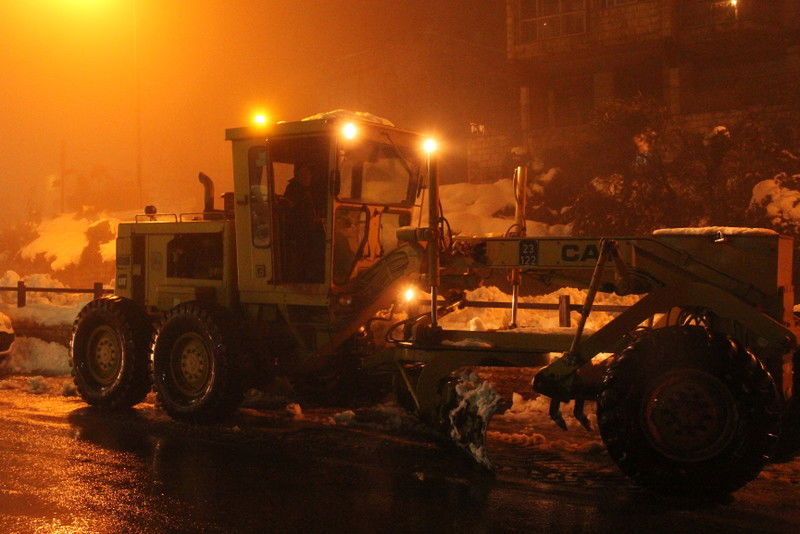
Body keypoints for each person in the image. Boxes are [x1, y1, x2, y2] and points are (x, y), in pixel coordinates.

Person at [283, 165, 325, 282]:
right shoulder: (294, 189)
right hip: (299, 233)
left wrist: (315, 219)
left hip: (306, 231)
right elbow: (289, 207)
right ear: (297, 176)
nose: (308, 177)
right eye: (304, 174)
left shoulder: (304, 190)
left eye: (309, 174)